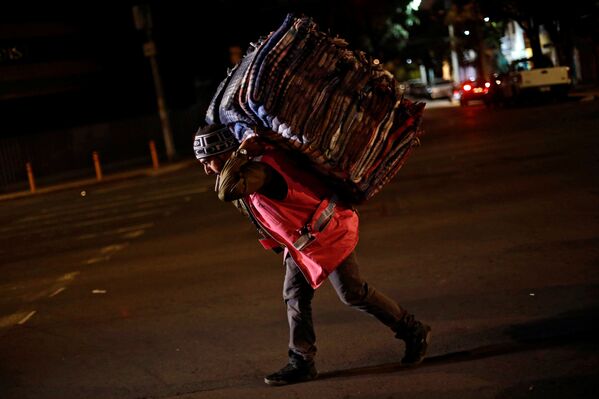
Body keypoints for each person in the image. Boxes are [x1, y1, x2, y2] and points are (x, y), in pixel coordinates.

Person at [193, 123, 431, 386]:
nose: (205, 169)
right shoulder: (252, 166)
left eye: (208, 161)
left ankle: (413, 331)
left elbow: (226, 191)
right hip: (305, 243)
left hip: (328, 233)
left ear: (225, 153)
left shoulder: (259, 170)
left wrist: (237, 155)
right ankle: (302, 361)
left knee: (352, 293)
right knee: (295, 295)